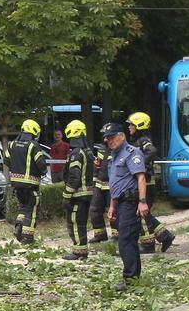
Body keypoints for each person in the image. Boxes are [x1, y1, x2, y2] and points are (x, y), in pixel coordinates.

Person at [102, 122, 149, 291]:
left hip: (130, 203)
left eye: (112, 137)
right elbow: (116, 184)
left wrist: (142, 202)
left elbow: (141, 178)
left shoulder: (132, 153)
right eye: (107, 138)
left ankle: (130, 280)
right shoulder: (114, 155)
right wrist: (112, 206)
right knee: (126, 241)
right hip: (120, 203)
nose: (109, 140)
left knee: (126, 241)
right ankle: (132, 279)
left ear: (122, 136)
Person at [126, 111, 175, 255]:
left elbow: (152, 150)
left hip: (145, 184)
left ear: (139, 125)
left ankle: (148, 245)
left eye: (132, 125)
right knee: (144, 214)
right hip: (145, 184)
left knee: (141, 214)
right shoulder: (138, 141)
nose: (129, 127)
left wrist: (139, 165)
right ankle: (165, 235)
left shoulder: (143, 140)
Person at [4, 119, 49, 243]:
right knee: (32, 209)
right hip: (31, 185)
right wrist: (43, 172)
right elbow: (41, 164)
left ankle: (19, 225)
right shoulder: (33, 145)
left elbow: (6, 161)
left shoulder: (12, 144)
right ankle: (28, 237)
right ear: (34, 132)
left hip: (16, 184)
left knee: (24, 207)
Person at [59, 119, 95, 261]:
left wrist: (67, 195)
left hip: (77, 195)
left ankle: (78, 252)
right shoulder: (88, 151)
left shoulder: (76, 153)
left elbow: (74, 176)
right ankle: (82, 250)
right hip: (86, 194)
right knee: (81, 222)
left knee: (74, 222)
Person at [87, 132, 113, 246]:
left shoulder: (118, 149)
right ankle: (100, 234)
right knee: (94, 209)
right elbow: (97, 166)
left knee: (112, 211)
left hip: (112, 185)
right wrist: (94, 181)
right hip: (99, 184)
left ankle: (117, 235)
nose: (105, 138)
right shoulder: (101, 150)